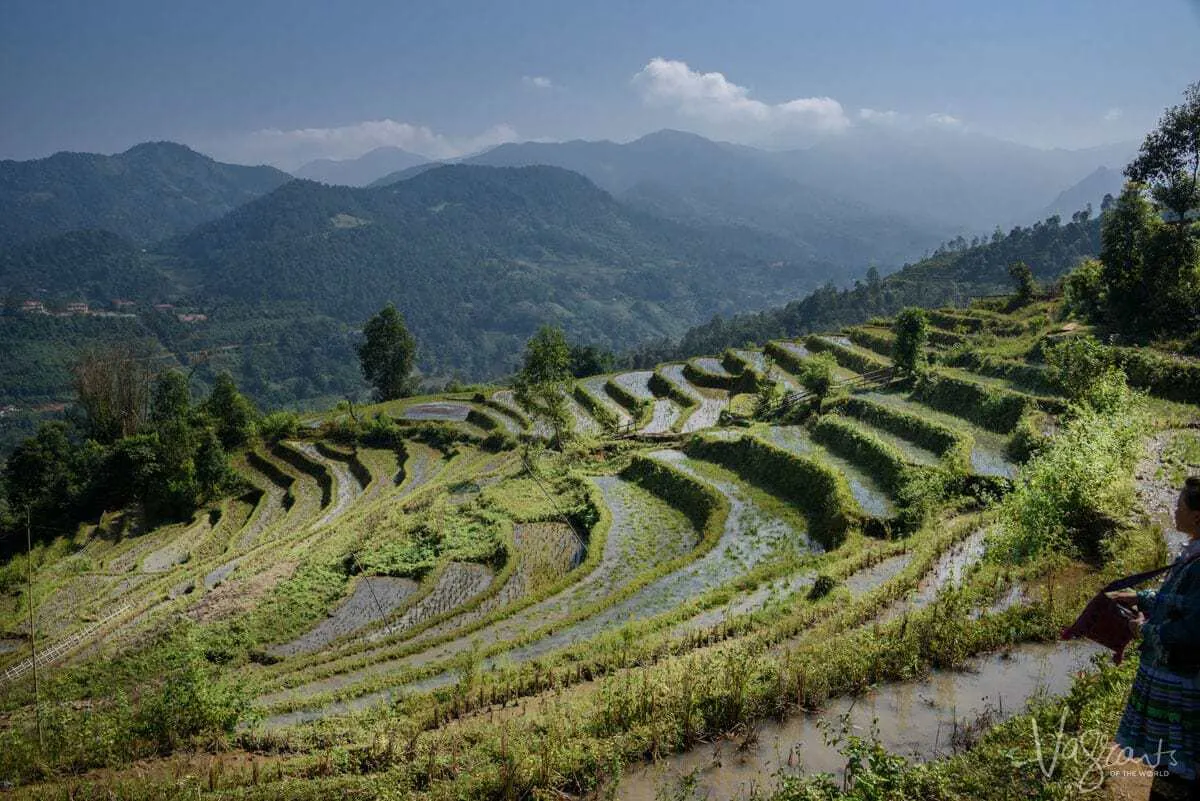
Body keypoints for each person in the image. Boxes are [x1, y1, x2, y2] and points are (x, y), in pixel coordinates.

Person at [1109, 476, 1200, 800]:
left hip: (1179, 681)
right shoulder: (1193, 556)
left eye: (1179, 506)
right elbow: (1181, 602)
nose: (1174, 510)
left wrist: (1145, 630)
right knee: (1170, 761)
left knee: (1175, 766)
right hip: (1174, 676)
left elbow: (1193, 629)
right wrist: (1142, 598)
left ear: (1197, 516)